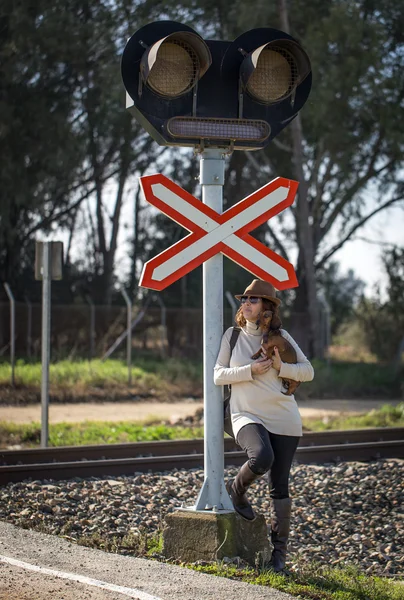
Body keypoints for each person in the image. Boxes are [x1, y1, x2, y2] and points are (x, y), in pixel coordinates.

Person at [214, 279, 314, 572]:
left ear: (267, 307)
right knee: (262, 456)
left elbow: (308, 371)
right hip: (246, 413)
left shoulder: (281, 336)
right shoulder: (232, 337)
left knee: (279, 488)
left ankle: (278, 556)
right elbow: (218, 375)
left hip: (284, 417)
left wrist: (283, 368)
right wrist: (249, 370)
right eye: (244, 298)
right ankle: (236, 491)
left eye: (253, 300)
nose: (245, 303)